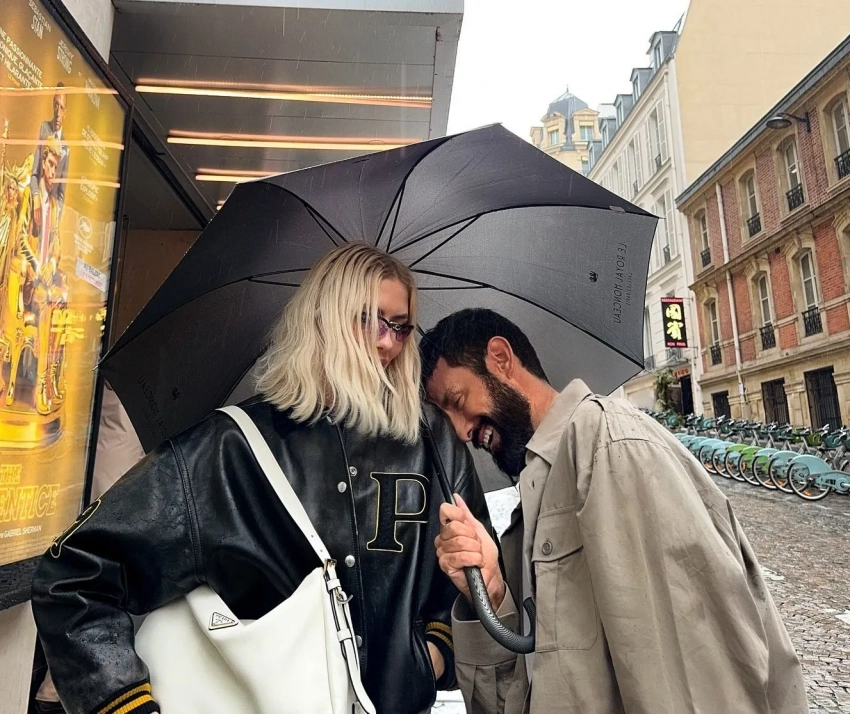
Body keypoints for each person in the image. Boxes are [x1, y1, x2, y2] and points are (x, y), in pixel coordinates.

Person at [31, 243, 490, 714]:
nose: (388, 343)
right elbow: (75, 574)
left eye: (401, 326)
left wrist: (430, 656)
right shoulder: (231, 448)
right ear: (324, 319)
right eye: (371, 320)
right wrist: (127, 706)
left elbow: (471, 580)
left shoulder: (432, 442)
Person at [421, 308, 808, 714]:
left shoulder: (607, 446)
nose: (461, 432)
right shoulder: (537, 497)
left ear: (501, 359)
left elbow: (695, 677)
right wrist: (492, 590)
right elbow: (530, 688)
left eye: (458, 401)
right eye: (447, 420)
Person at [31, 83, 70, 217]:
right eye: (56, 105)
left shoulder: (66, 149)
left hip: (50, 213)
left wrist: (55, 218)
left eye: (62, 108)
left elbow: (61, 194)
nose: (58, 113)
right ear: (53, 104)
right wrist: (36, 196)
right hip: (36, 204)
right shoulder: (44, 128)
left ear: (65, 113)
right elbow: (34, 173)